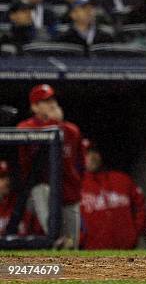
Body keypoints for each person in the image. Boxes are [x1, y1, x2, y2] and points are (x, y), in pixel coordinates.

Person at [17, 84, 86, 247]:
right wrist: (55, 123)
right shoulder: (25, 128)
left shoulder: (71, 130)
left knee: (71, 248)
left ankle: (63, 258)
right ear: (34, 107)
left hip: (68, 194)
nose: (52, 103)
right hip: (37, 195)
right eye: (45, 101)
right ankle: (55, 237)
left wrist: (76, 184)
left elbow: (81, 164)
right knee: (42, 190)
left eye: (52, 99)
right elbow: (23, 165)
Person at [80, 142, 146, 249]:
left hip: (128, 250)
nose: (92, 157)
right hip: (94, 252)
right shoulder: (77, 186)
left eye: (94, 152)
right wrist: (81, 240)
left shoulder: (121, 179)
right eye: (86, 154)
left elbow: (140, 206)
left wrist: (135, 232)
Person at [0, 160, 43, 237]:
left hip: (24, 247)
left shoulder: (21, 202)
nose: (7, 181)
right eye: (2, 177)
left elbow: (40, 234)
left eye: (7, 177)